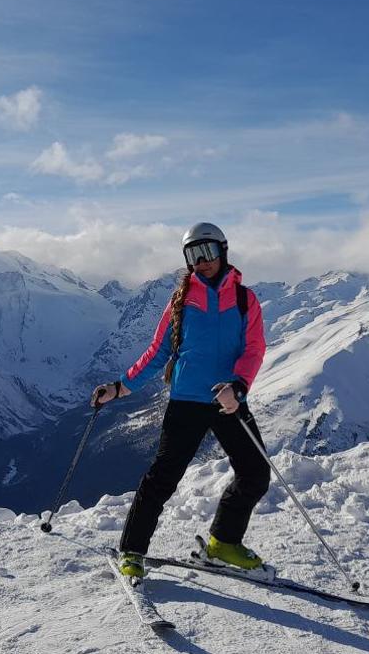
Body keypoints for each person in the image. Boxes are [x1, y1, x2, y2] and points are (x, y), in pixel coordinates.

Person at [91, 222, 270, 578]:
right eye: (193, 254)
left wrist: (238, 386)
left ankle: (223, 544)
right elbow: (157, 352)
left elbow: (253, 349)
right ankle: (132, 550)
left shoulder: (244, 299)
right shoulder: (181, 301)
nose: (201, 261)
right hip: (187, 401)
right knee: (163, 477)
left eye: (208, 252)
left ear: (223, 251)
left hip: (228, 400)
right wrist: (120, 387)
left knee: (255, 472)